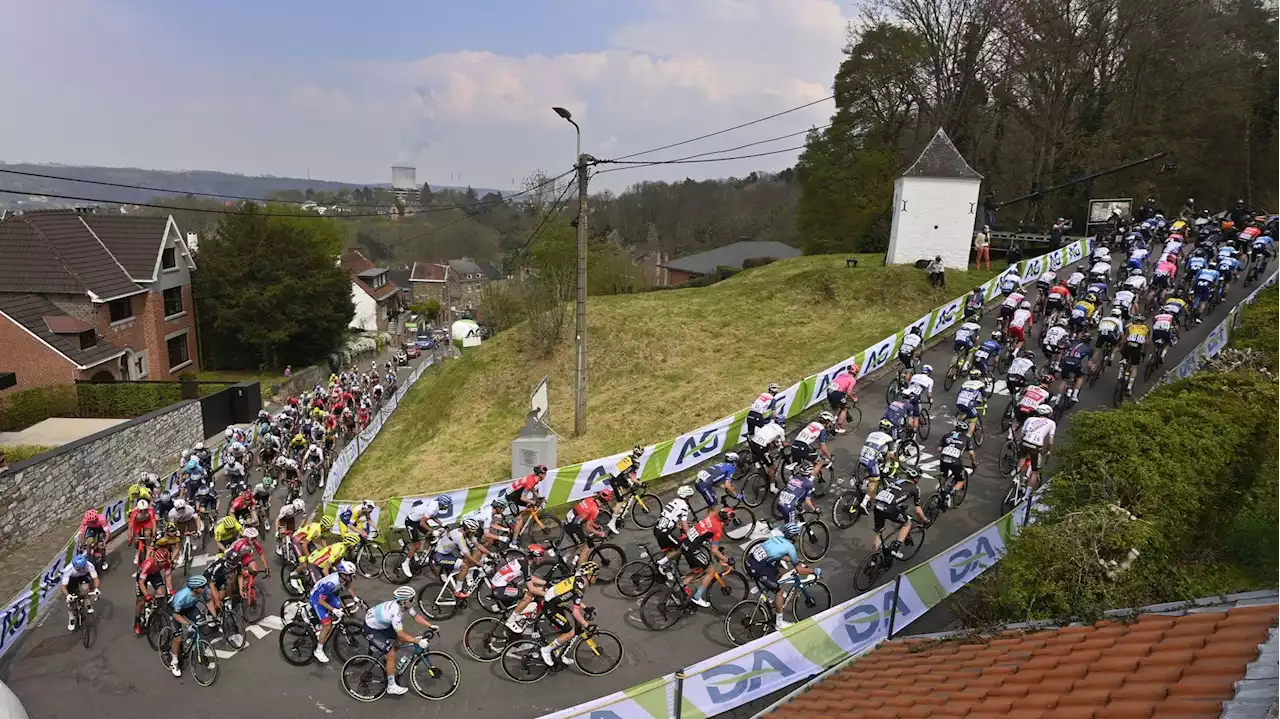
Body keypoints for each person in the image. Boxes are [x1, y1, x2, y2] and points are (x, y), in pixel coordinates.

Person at [363, 586, 440, 695]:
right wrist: (417, 641)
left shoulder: (404, 605)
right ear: (404, 601)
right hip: (372, 629)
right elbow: (401, 634)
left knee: (401, 640)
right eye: (411, 599)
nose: (413, 601)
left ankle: (385, 651)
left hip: (381, 624)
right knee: (391, 654)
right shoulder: (395, 613)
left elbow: (416, 616)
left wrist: (430, 625)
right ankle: (391, 686)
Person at [744, 524, 819, 630]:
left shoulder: (777, 539)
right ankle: (779, 624)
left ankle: (764, 591)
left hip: (750, 561)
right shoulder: (790, 547)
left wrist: (796, 560)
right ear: (794, 536)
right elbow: (799, 570)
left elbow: (780, 554)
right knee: (779, 592)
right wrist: (813, 571)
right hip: (758, 568)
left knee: (778, 572)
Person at [536, 562, 599, 666]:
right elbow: (575, 612)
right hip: (551, 607)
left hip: (555, 603)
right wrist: (587, 625)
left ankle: (560, 654)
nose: (596, 577)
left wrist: (586, 608)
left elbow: (573, 596)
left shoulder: (577, 579)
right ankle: (546, 650)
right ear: (589, 575)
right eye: (595, 575)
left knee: (567, 630)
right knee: (570, 633)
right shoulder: (579, 588)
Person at [308, 561, 358, 664]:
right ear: (343, 574)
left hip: (328, 594)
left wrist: (356, 598)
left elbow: (348, 587)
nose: (350, 578)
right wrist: (334, 610)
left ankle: (322, 628)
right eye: (349, 575)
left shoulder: (344, 578)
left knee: (342, 608)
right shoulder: (331, 583)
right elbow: (321, 601)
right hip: (317, 598)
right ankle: (318, 650)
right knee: (327, 625)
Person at [870, 472, 928, 560]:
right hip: (889, 507)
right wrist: (925, 519)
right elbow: (918, 510)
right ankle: (895, 549)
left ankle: (873, 560)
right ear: (916, 479)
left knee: (878, 533)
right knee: (907, 523)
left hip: (878, 504)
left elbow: (894, 494)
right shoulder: (915, 488)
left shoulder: (897, 481)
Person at [685, 509, 734, 609]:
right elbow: (714, 550)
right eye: (729, 519)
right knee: (711, 571)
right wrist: (726, 559)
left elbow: (706, 533)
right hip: (692, 549)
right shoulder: (718, 529)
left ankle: (681, 586)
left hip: (685, 545)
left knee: (697, 570)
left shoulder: (711, 517)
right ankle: (697, 597)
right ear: (726, 519)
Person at [167, 575, 210, 677]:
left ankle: (191, 642)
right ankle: (174, 661)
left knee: (201, 623)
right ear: (195, 589)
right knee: (178, 637)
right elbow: (176, 614)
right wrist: (187, 624)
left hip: (189, 607)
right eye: (202, 587)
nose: (204, 588)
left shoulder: (201, 590)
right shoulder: (182, 597)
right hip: (174, 611)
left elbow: (209, 601)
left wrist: (216, 616)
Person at [401, 495, 452, 577]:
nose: (446, 508)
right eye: (446, 506)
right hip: (411, 522)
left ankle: (424, 555)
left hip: (418, 520)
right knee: (417, 545)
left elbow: (433, 516)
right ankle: (405, 563)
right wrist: (433, 531)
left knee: (430, 536)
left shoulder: (436, 505)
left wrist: (442, 524)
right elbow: (422, 523)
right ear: (442, 504)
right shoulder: (433, 507)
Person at [653, 486, 696, 576]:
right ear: (687, 497)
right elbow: (684, 524)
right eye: (690, 496)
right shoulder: (684, 506)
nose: (690, 499)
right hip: (664, 532)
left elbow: (671, 516)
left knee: (669, 550)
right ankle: (661, 563)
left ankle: (664, 570)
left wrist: (677, 525)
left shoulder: (674, 501)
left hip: (657, 528)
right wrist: (690, 535)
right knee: (682, 547)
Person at [564, 489, 612, 567]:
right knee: (585, 549)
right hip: (572, 526)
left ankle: (565, 558)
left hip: (569, 520)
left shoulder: (589, 499)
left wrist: (596, 526)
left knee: (578, 542)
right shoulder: (595, 510)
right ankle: (579, 573)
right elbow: (588, 528)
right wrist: (599, 533)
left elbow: (585, 515)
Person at [134, 545, 174, 635]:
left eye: (164, 561)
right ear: (156, 560)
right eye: (161, 562)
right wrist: (146, 595)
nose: (163, 564)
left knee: (162, 592)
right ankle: (137, 622)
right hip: (143, 576)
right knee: (141, 600)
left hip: (154, 574)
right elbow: (141, 582)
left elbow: (168, 576)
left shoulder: (167, 563)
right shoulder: (148, 564)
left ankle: (157, 612)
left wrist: (171, 590)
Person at [1016, 405, 1057, 490]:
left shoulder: (1029, 419)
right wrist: (1048, 451)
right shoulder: (1051, 423)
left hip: (1025, 443)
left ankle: (1016, 478)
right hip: (1036, 446)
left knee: (1022, 458)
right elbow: (1050, 441)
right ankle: (1027, 495)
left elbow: (1022, 434)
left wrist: (1020, 442)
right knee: (1035, 471)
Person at [936, 421, 976, 507]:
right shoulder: (966, 438)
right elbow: (971, 454)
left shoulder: (946, 435)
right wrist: (974, 462)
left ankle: (941, 490)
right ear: (964, 431)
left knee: (944, 475)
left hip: (944, 459)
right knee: (961, 480)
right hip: (955, 462)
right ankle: (950, 494)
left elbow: (939, 449)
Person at [60, 553, 100, 632]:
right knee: (70, 600)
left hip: (83, 577)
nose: (81, 570)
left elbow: (96, 578)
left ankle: (87, 602)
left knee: (86, 589)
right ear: (74, 566)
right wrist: (68, 595)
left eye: (83, 568)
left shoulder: (89, 565)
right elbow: (63, 587)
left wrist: (96, 589)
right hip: (72, 578)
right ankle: (71, 617)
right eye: (79, 569)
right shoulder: (69, 569)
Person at [748, 415, 787, 493]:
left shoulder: (769, 425)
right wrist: (788, 445)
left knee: (760, 464)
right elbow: (784, 443)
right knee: (772, 467)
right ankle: (772, 488)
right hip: (760, 447)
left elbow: (768, 437)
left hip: (753, 443)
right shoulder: (781, 430)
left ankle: (765, 479)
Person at [506, 464, 547, 539]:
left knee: (530, 506)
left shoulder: (534, 478)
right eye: (544, 473)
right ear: (540, 474)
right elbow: (523, 498)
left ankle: (513, 521)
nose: (545, 475)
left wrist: (538, 497)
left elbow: (531, 488)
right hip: (512, 497)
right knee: (520, 521)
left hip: (516, 494)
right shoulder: (532, 481)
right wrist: (534, 502)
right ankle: (514, 542)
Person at [827, 364, 859, 434]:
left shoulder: (842, 375)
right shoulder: (852, 380)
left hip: (829, 391)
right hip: (837, 394)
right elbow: (849, 392)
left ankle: (831, 420)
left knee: (835, 407)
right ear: (855, 372)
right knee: (844, 409)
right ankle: (838, 428)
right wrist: (853, 398)